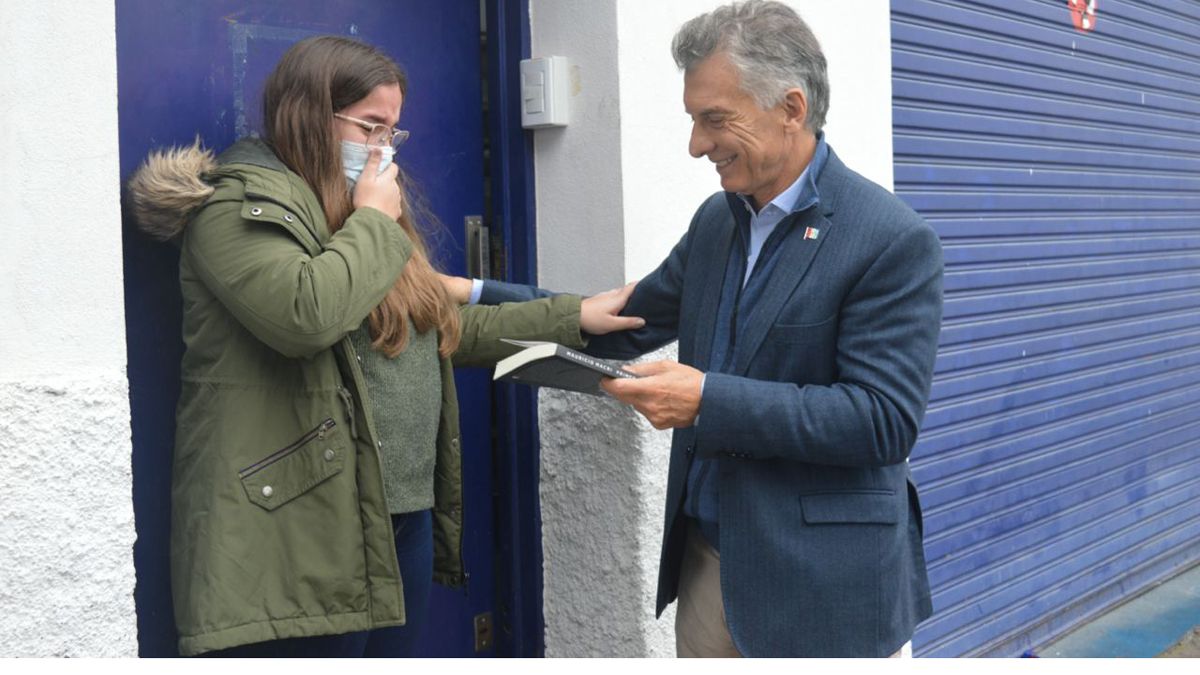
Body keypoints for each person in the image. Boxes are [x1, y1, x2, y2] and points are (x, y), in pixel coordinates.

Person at [127, 35, 641, 657]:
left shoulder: (353, 204)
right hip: (300, 521)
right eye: (370, 127)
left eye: (391, 133)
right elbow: (306, 315)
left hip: (397, 512)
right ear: (311, 114)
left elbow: (430, 327)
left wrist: (572, 316)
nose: (381, 148)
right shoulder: (238, 207)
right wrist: (373, 220)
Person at [479, 0, 943, 658]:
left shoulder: (889, 239)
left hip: (825, 591)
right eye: (694, 119)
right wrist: (464, 298)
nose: (696, 144)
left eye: (713, 119)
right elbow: (618, 322)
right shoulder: (716, 223)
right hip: (708, 569)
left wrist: (707, 399)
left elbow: (881, 419)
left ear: (790, 107)